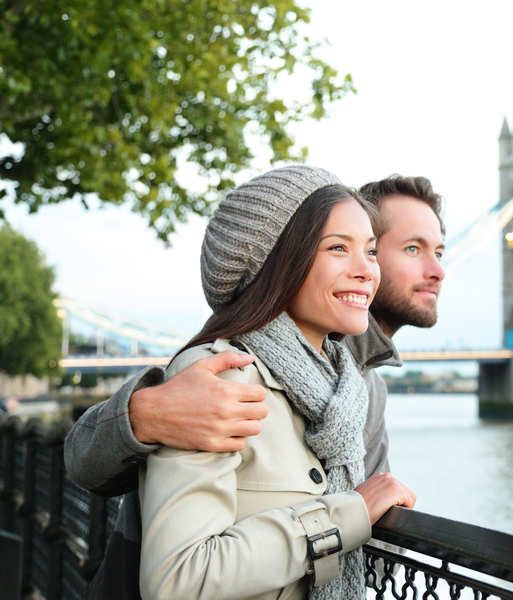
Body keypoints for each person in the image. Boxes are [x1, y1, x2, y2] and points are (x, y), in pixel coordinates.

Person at [64, 173, 447, 599]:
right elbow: (176, 576)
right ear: (279, 260)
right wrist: (143, 415)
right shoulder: (225, 371)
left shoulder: (359, 390)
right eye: (412, 249)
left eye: (370, 250)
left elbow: (370, 518)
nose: (438, 271)